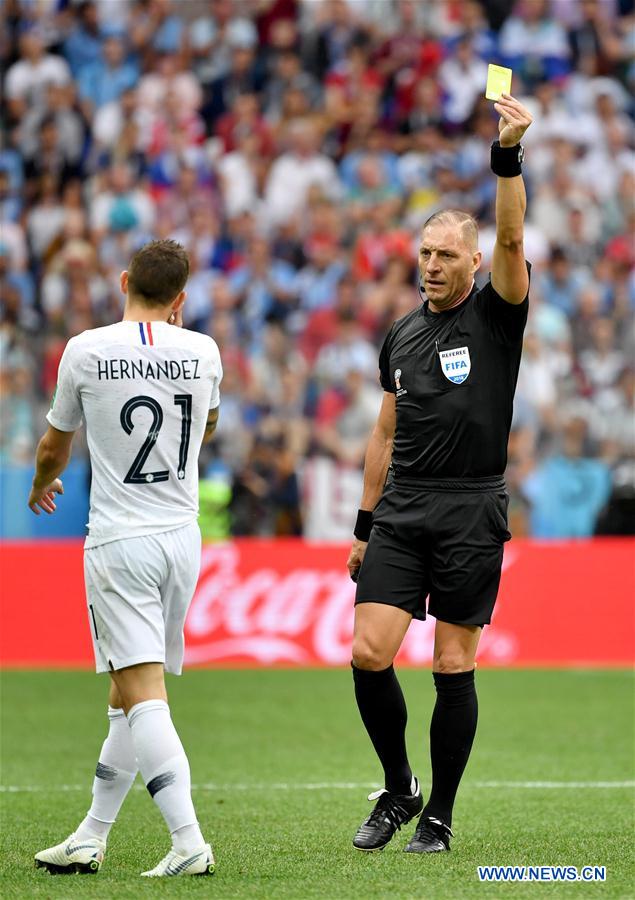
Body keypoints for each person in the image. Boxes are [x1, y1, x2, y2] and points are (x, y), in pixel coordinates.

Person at [346, 95, 533, 853]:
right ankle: (399, 787)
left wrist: (507, 155)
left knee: (452, 661)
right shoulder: (398, 334)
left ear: (474, 262)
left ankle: (441, 814)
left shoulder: (497, 314)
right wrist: (362, 527)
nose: (430, 265)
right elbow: (383, 431)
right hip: (402, 509)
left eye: (445, 255)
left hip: (470, 509)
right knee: (367, 652)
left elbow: (513, 232)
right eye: (424, 253)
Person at [28, 240, 222, 877]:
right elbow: (206, 429)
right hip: (181, 539)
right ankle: (91, 833)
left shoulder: (85, 348)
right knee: (124, 688)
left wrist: (39, 485)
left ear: (122, 281)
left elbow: (56, 446)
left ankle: (189, 841)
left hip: (120, 542)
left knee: (143, 694)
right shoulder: (203, 351)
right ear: (181, 301)